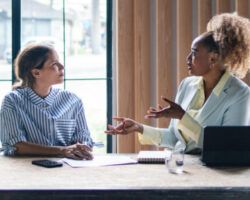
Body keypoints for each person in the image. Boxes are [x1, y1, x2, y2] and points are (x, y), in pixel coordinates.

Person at [105, 13, 250, 153]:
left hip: (215, 173)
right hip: (181, 166)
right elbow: (175, 139)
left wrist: (182, 116)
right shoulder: (187, 85)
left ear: (213, 59)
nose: (188, 58)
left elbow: (228, 147)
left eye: (194, 53)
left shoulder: (239, 94)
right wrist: (138, 127)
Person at [0, 43, 93, 160]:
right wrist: (62, 150)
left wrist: (80, 148)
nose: (62, 66)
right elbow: (16, 145)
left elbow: (83, 137)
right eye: (54, 64)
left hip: (68, 169)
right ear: (36, 73)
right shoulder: (12, 101)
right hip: (27, 170)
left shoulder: (73, 100)